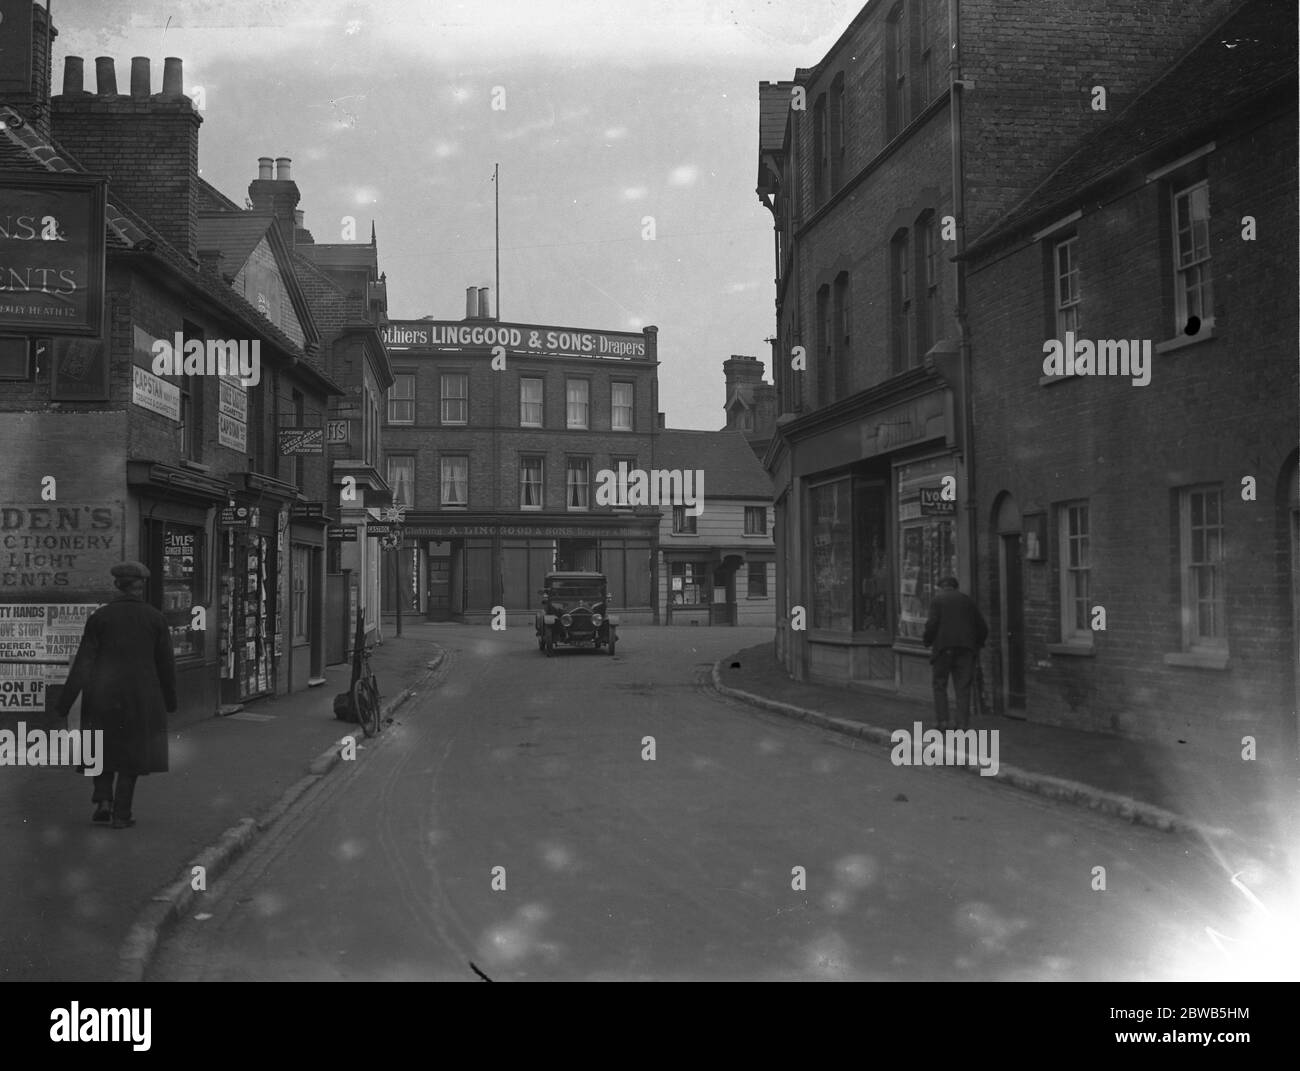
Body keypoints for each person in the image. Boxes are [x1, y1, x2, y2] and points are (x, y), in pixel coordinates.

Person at [55, 561, 177, 829]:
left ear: (116, 586)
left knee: (101, 748)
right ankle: (121, 814)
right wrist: (170, 701)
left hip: (101, 695)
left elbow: (84, 662)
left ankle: (103, 801)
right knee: (132, 755)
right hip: (140, 697)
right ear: (141, 586)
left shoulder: (100, 618)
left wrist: (65, 703)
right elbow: (166, 664)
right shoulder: (155, 618)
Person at [922, 576, 988, 730]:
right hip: (966, 649)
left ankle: (943, 722)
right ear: (956, 587)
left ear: (941, 587)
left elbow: (932, 624)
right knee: (963, 687)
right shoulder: (968, 601)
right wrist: (978, 644)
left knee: (939, 684)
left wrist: (927, 640)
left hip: (943, 648)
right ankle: (962, 725)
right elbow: (982, 627)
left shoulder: (937, 601)